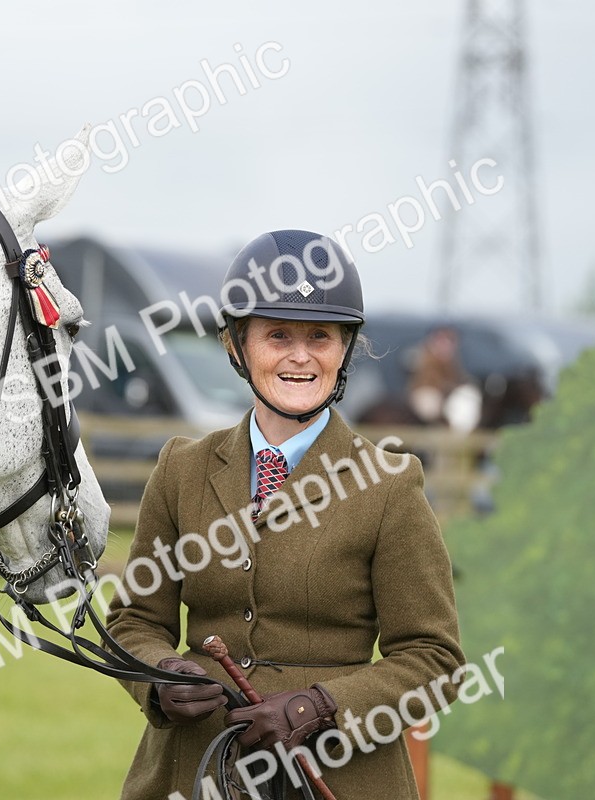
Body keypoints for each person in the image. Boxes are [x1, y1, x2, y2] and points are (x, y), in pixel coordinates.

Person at [106, 230, 465, 799]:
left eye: (320, 336)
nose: (300, 357)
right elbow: (134, 623)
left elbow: (434, 660)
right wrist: (158, 676)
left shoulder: (391, 487)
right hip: (194, 771)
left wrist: (319, 706)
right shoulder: (181, 469)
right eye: (277, 336)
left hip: (337, 775)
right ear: (236, 345)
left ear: (345, 348)